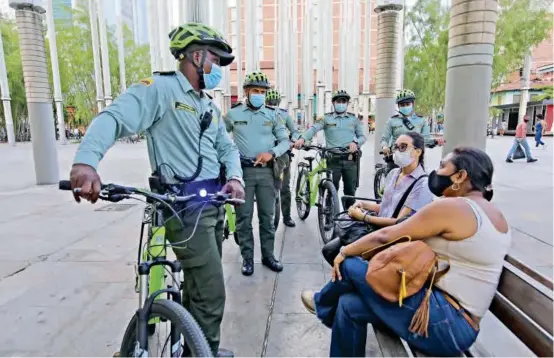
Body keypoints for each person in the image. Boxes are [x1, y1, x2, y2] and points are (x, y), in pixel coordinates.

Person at [68, 22, 244, 357]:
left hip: (212, 206)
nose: (218, 69)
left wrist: (234, 177)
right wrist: (86, 162)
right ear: (196, 56)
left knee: (196, 287)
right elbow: (114, 117)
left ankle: (195, 344)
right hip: (183, 208)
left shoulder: (207, 105)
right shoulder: (161, 90)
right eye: (215, 61)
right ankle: (204, 351)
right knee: (210, 293)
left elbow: (227, 149)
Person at [300, 147, 512, 357]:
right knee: (348, 305)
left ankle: (321, 305)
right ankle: (327, 310)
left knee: (348, 265)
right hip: (455, 323)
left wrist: (345, 251)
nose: (436, 172)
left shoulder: (456, 208)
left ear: (460, 176)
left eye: (442, 166)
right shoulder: (491, 212)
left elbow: (387, 235)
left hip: (445, 321)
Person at [321, 132, 433, 266]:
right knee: (330, 250)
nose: (397, 151)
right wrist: (363, 205)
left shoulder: (422, 184)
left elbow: (399, 222)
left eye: (403, 147)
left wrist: (364, 218)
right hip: (376, 229)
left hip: (391, 238)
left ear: (418, 151)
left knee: (339, 256)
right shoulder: (393, 173)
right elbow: (386, 207)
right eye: (395, 147)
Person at [225, 71, 290, 276]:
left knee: (267, 217)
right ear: (246, 91)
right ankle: (247, 258)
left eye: (262, 92)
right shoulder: (234, 114)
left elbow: (285, 141)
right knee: (244, 218)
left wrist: (272, 153)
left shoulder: (273, 115)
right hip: (242, 173)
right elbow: (218, 137)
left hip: (266, 174)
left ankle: (268, 255)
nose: (259, 95)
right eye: (256, 91)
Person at [294, 90, 366, 209]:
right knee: (332, 189)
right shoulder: (326, 119)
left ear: (347, 104)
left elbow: (362, 136)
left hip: (350, 159)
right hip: (333, 159)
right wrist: (302, 138)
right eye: (338, 101)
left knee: (350, 192)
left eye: (344, 101)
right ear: (333, 103)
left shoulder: (354, 119)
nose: (341, 103)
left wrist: (356, 143)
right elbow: (313, 128)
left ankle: (349, 218)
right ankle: (328, 218)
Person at [266, 88, 299, 228]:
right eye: (270, 101)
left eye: (275, 101)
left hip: (283, 155)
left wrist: (293, 141)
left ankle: (287, 216)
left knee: (285, 187)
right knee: (269, 189)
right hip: (267, 154)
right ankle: (268, 218)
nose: (273, 104)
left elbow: (295, 131)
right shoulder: (262, 114)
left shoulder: (284, 115)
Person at [381, 89, 443, 156]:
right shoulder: (392, 120)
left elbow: (425, 140)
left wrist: (435, 141)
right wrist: (385, 146)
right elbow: (384, 138)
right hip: (396, 156)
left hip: (415, 157)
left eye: (407, 104)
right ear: (398, 106)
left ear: (413, 104)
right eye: (402, 105)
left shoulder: (421, 120)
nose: (405, 107)